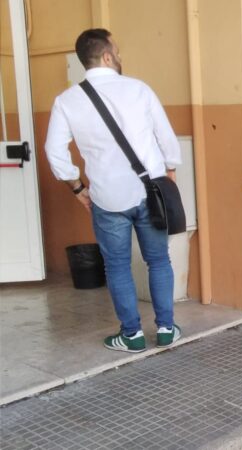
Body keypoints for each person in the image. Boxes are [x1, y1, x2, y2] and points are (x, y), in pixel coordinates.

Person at [44, 29, 182, 352]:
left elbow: (54, 151)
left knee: (117, 266)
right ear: (107, 56)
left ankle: (131, 335)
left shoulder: (66, 101)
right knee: (159, 260)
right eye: (116, 50)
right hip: (150, 193)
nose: (119, 55)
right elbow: (166, 136)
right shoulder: (139, 90)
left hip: (106, 198)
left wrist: (77, 187)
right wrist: (170, 171)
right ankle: (165, 329)